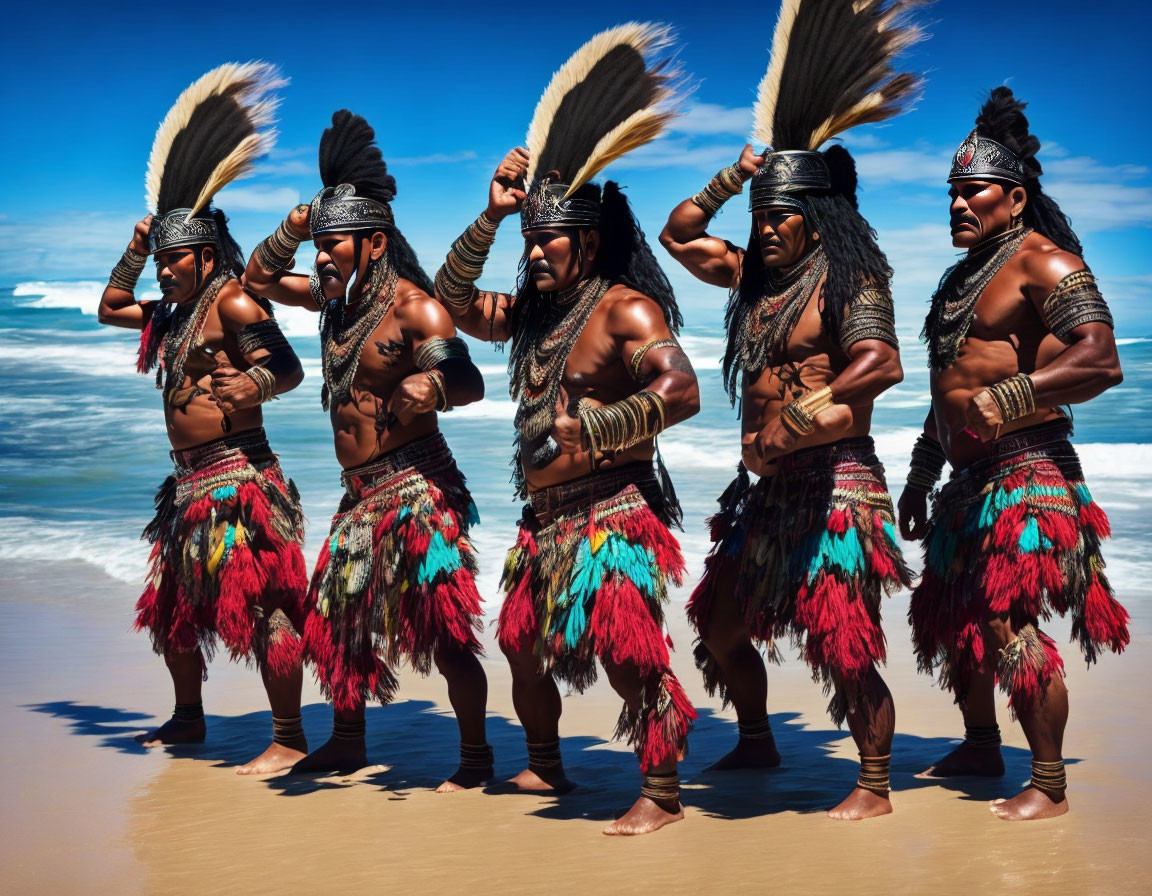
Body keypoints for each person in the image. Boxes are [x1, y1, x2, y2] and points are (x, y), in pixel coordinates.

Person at [659, 0, 925, 819]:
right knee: (720, 627)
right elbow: (677, 235)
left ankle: (874, 786)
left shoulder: (852, 281)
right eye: (760, 218)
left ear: (816, 220)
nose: (766, 228)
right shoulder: (751, 280)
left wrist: (799, 415)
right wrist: (734, 176)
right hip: (767, 495)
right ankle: (757, 738)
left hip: (838, 483)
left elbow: (882, 363)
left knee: (843, 643)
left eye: (782, 217)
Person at [433, 23, 698, 835]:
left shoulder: (626, 307)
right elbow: (449, 298)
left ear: (586, 240)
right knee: (519, 643)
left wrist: (602, 430)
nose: (535, 249)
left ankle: (661, 792)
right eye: (530, 239)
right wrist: (490, 214)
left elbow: (681, 388)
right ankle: (546, 766)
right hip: (544, 520)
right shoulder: (533, 317)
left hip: (614, 509)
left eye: (548, 237)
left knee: (628, 652)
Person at [243, 111, 490, 790]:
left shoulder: (416, 309)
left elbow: (469, 379)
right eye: (318, 246)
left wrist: (430, 384)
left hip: (418, 488)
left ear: (374, 244)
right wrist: (295, 225)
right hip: (359, 495)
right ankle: (347, 743)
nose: (320, 258)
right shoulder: (334, 308)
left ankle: (475, 760)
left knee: (445, 631)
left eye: (333, 245)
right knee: (338, 625)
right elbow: (257, 282)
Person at [901, 87, 1129, 820]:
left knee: (1004, 621)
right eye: (952, 194)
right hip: (966, 480)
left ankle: (1050, 783)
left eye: (974, 193)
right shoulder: (959, 280)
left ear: (1017, 197)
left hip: (1028, 472)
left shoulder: (1045, 263)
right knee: (957, 620)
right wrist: (919, 472)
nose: (958, 206)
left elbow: (1101, 360)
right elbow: (955, 389)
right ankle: (979, 746)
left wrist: (1015, 397)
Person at [98, 63, 312, 775]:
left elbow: (287, 369)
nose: (160, 273)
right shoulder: (176, 313)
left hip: (240, 480)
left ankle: (288, 735)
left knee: (267, 613)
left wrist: (246, 386)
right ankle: (188, 719)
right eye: (157, 261)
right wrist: (137, 245)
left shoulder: (234, 305)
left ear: (207, 254)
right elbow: (109, 306)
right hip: (186, 486)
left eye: (170, 260)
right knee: (171, 611)